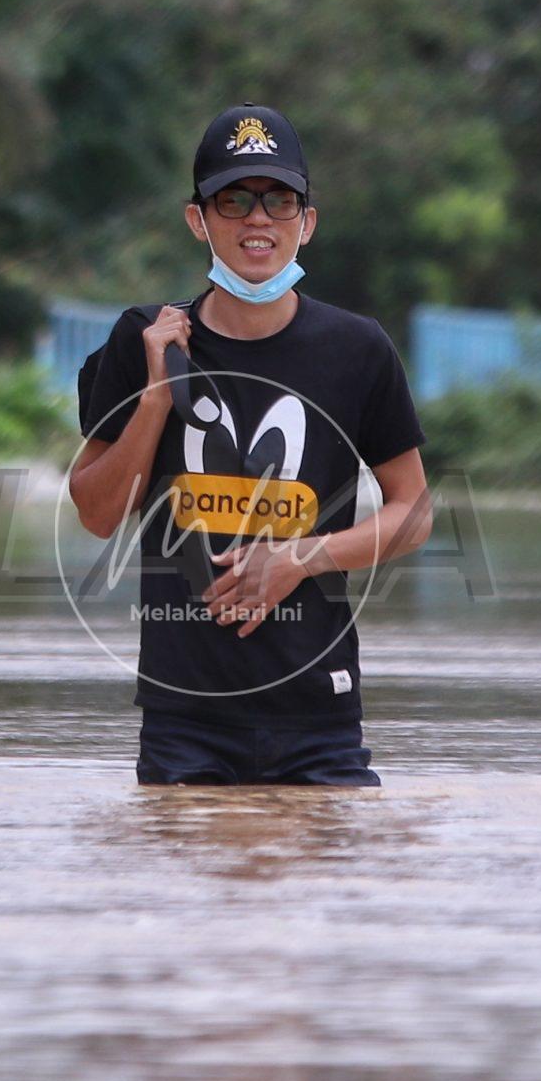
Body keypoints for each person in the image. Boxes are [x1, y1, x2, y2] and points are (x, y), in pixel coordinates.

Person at [70, 104, 434, 786]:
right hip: (185, 719)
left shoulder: (358, 350)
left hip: (320, 715)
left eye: (280, 200)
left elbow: (414, 511)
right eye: (234, 200)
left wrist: (301, 556)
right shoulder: (142, 338)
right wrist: (154, 396)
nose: (258, 219)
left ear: (308, 222)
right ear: (197, 219)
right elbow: (95, 514)